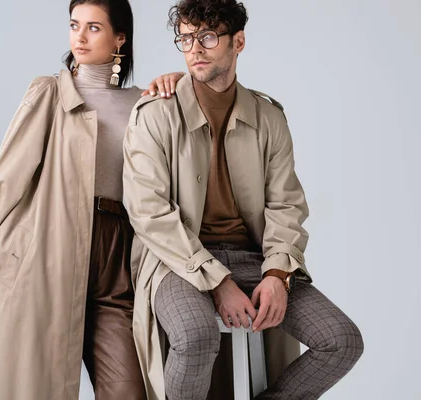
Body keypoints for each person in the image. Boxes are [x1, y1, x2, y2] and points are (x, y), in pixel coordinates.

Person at [122, 1, 365, 399]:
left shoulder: (269, 117)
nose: (194, 48)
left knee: (341, 340)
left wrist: (278, 275)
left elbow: (286, 205)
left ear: (239, 42)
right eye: (185, 37)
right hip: (176, 262)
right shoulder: (155, 115)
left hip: (255, 258)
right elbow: (148, 213)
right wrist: (217, 280)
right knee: (197, 336)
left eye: (207, 36)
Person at [0, 1, 183, 399]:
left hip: (118, 252)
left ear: (119, 37)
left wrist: (183, 80)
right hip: (47, 251)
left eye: (93, 27)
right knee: (35, 387)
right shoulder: (49, 93)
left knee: (130, 390)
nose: (80, 36)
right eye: (75, 26)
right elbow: (4, 180)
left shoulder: (144, 103)